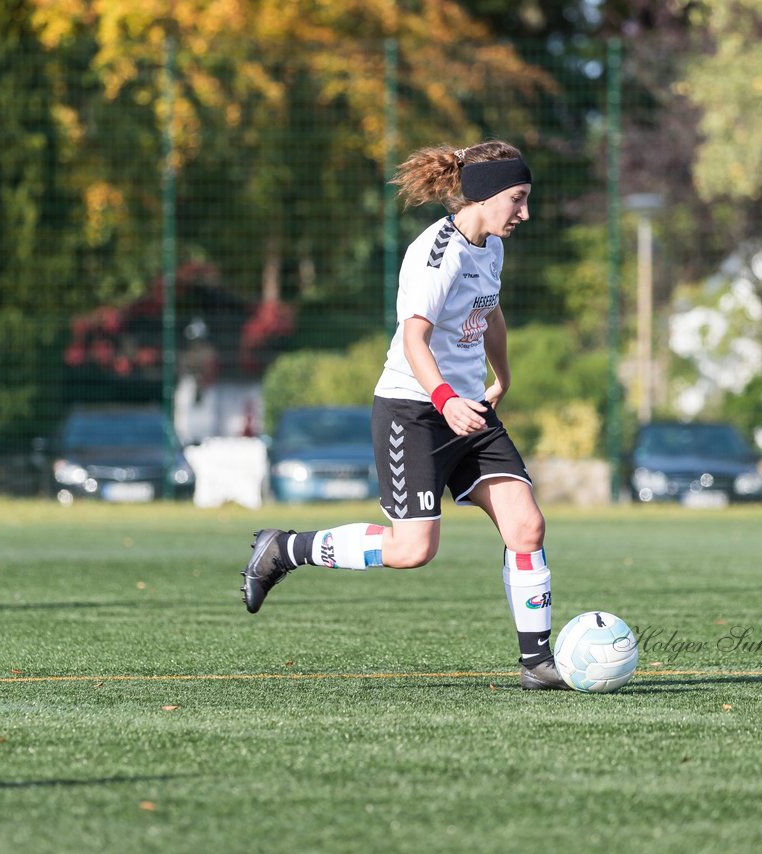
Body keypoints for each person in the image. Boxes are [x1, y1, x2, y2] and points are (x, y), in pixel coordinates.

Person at [240, 140, 569, 690]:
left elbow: (489, 313)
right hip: (413, 410)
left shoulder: (491, 245)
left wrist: (503, 376)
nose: (525, 213)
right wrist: (445, 399)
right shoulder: (434, 256)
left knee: (527, 526)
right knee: (412, 549)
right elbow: (414, 340)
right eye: (517, 199)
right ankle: (284, 548)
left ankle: (537, 663)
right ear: (486, 195)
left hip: (467, 411)